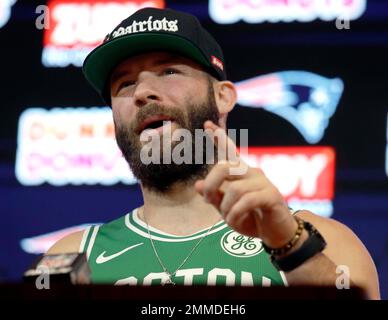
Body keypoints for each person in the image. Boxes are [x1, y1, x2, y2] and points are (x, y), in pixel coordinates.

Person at [47, 7, 380, 298]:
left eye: (169, 72)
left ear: (223, 96)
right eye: (124, 84)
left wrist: (289, 246)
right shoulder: (74, 258)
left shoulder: (322, 241)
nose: (143, 92)